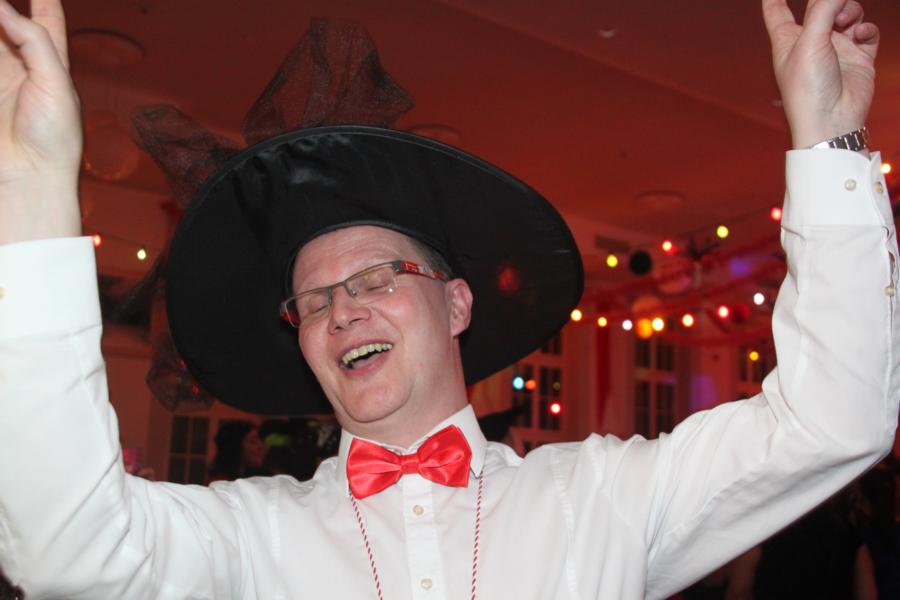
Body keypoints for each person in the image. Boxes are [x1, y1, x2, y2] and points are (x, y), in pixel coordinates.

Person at [0, 0, 896, 599]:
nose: (342, 311)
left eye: (376, 278)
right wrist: (36, 196)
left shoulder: (604, 499)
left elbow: (833, 419)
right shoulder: (246, 538)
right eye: (312, 302)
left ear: (458, 304)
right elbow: (62, 549)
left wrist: (830, 141)